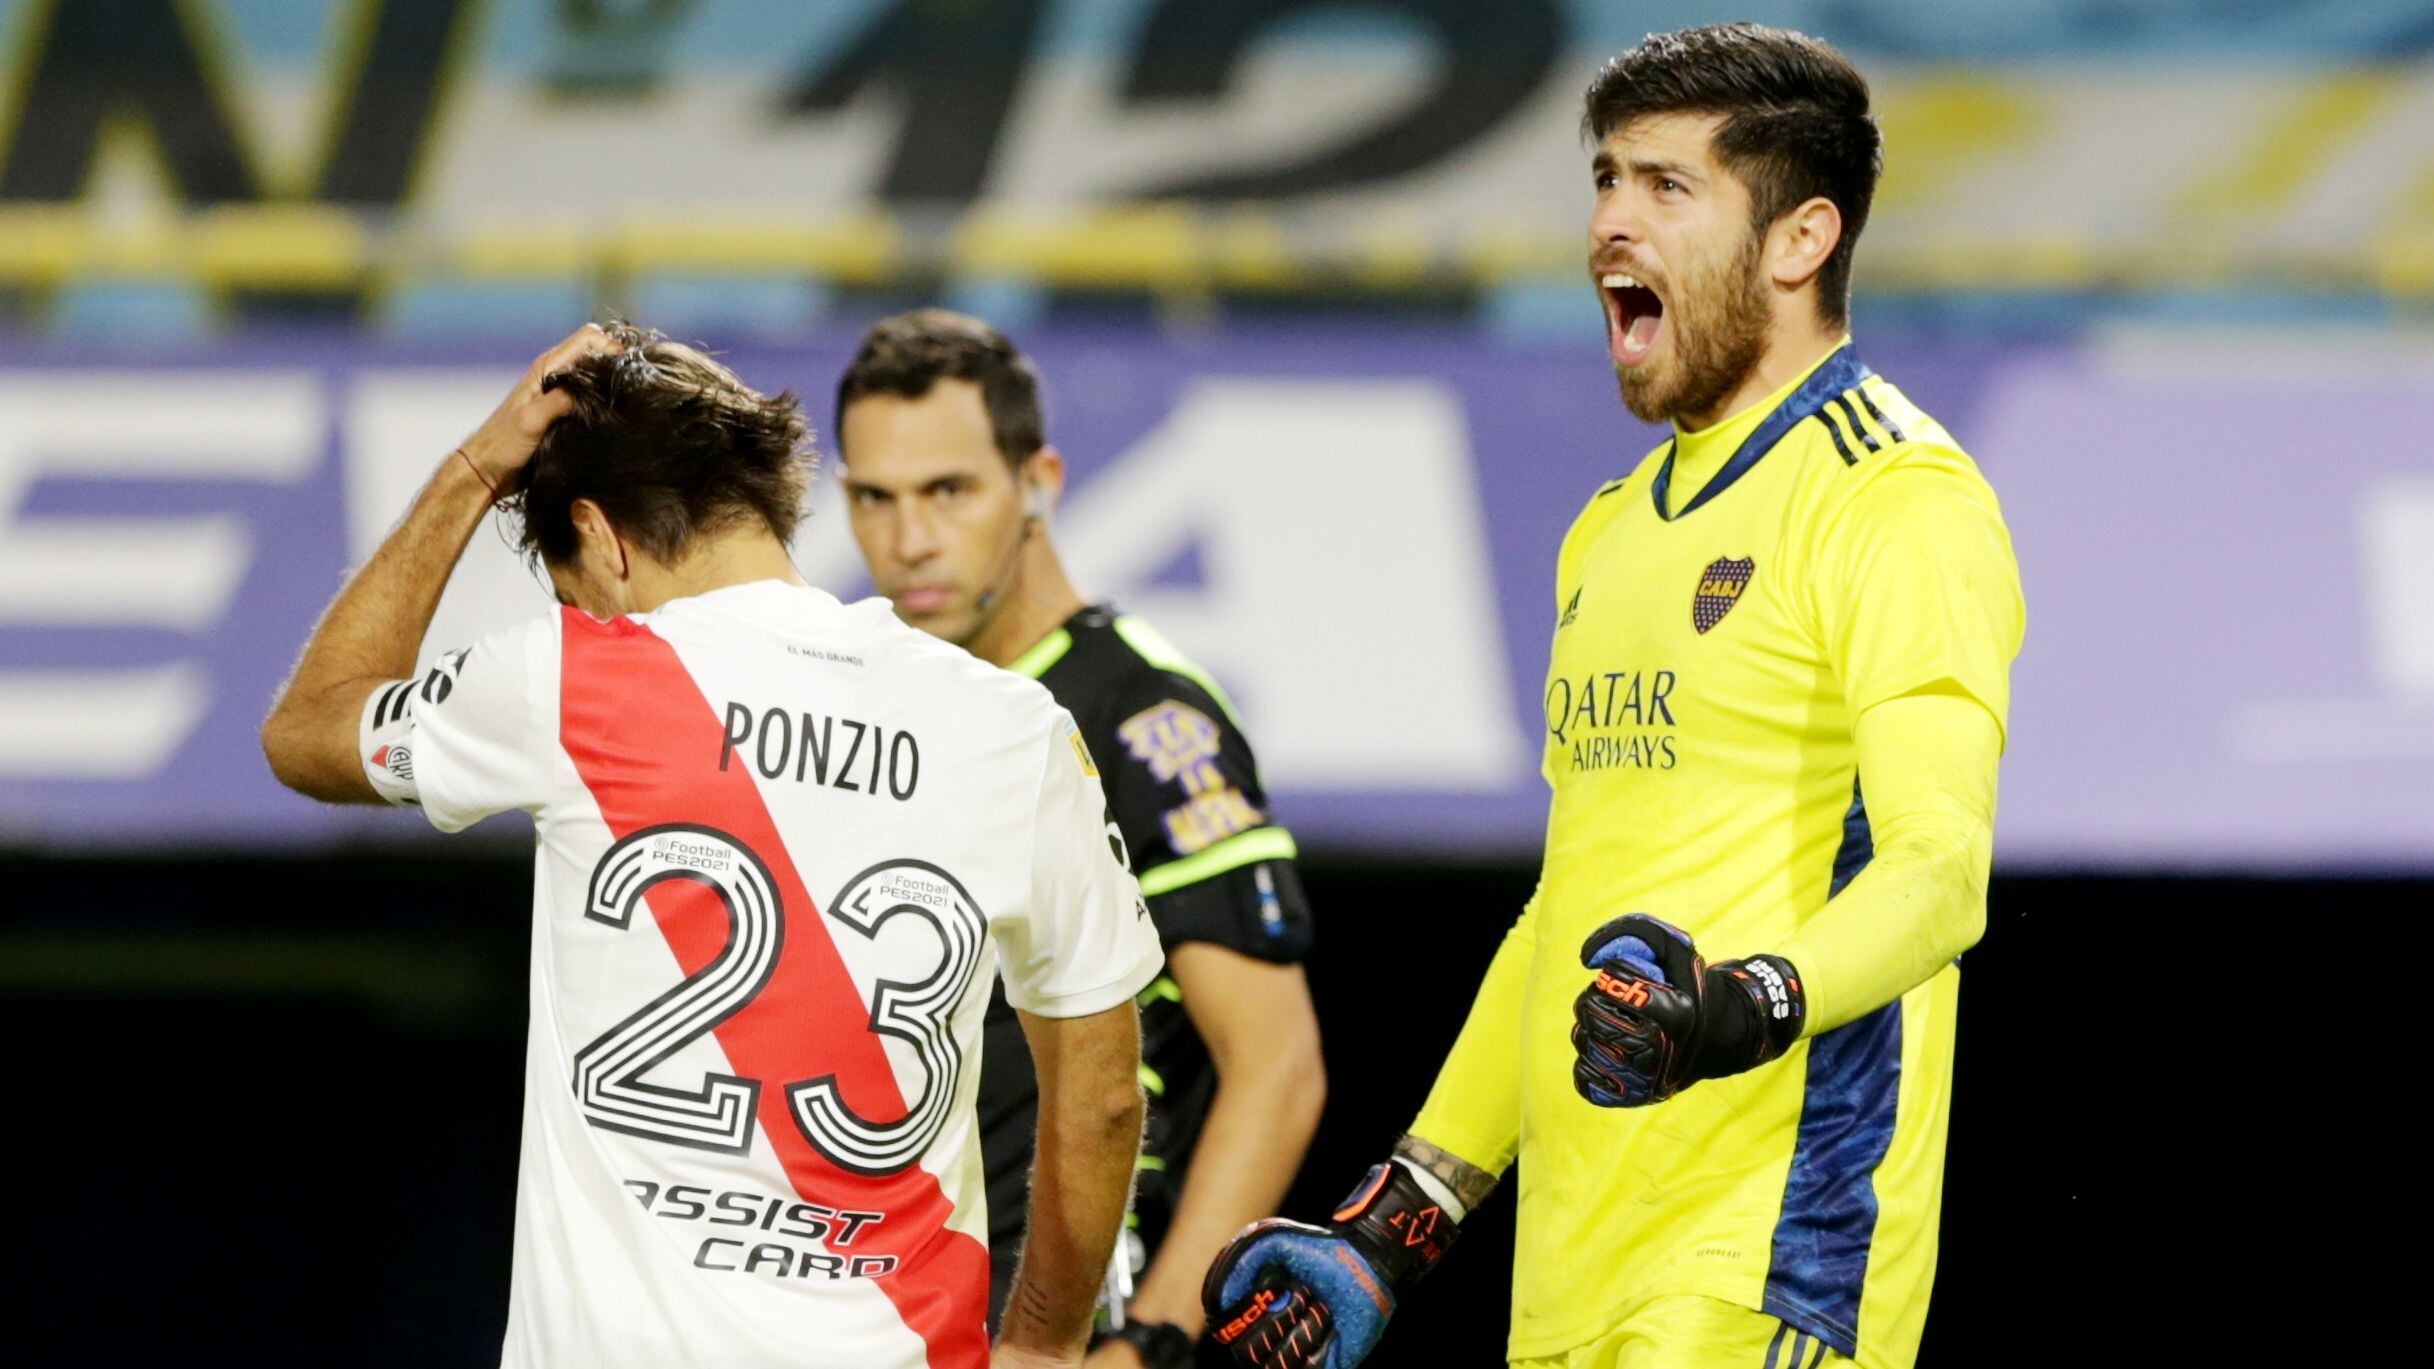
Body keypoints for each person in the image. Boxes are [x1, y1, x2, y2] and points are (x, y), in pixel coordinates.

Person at [1203, 25, 2026, 1369]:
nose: (1606, 226)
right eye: (1602, 180)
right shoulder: (1607, 532)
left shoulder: (1897, 498)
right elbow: (1564, 911)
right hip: (1575, 1279)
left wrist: (1743, 1002)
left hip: (1769, 1261)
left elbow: (1940, 877)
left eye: (1663, 186)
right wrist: (1397, 1221)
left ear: (1796, 241)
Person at [259, 323, 1161, 1369]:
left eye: (570, 586)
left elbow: (308, 729)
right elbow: (1099, 1095)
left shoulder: (573, 678)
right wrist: (1046, 1345)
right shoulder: (1015, 728)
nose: (585, 614)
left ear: (602, 539)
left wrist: (473, 469)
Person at [833, 310, 1327, 1369]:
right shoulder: (884, 706)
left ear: (1038, 480)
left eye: (949, 491)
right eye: (874, 497)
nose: (908, 538)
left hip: (1068, 1322)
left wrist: (1150, 1340)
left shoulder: (1142, 714)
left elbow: (1277, 1066)